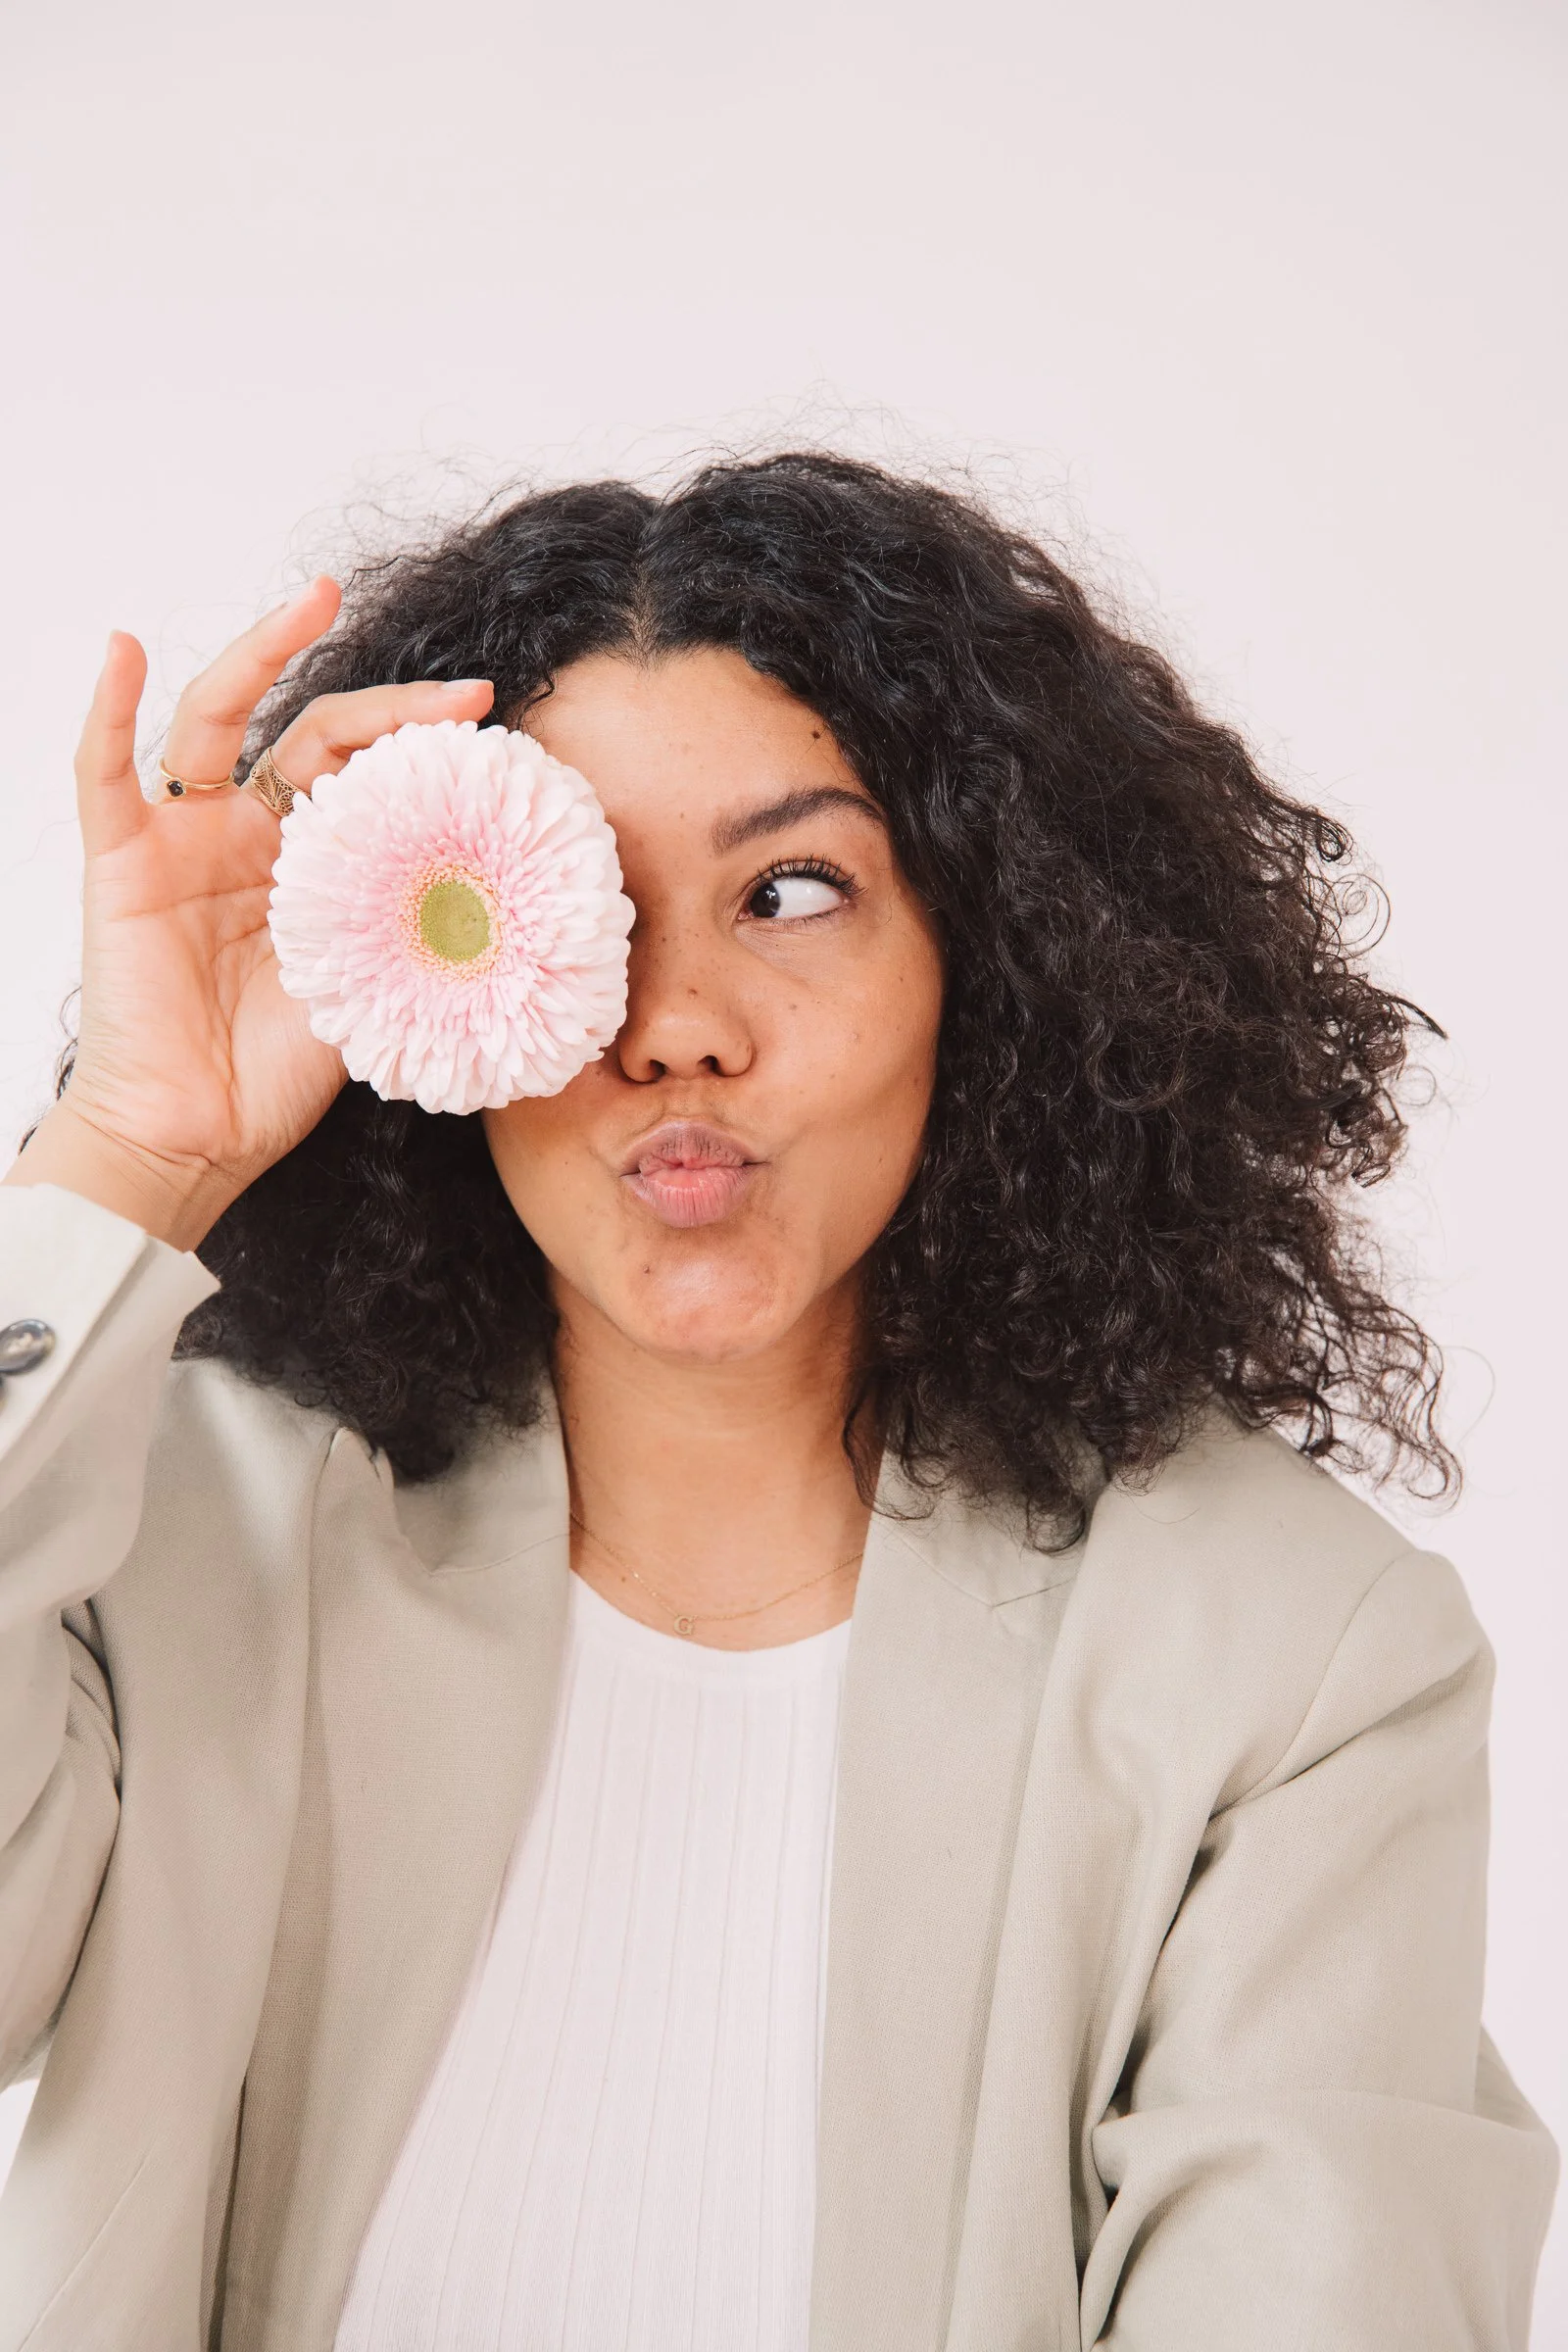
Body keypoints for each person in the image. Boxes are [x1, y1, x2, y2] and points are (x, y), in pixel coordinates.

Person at [0, 454, 1556, 2352]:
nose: (673, 1020)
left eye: (793, 890)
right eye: (565, 899)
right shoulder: (181, 1527)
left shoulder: (1291, 1668)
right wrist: (127, 1153)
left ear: (979, 962)